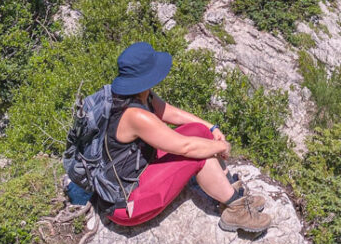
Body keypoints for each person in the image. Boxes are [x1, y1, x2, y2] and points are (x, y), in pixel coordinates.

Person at [104, 42, 271, 233]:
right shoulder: (134, 115)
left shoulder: (135, 95)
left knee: (199, 132)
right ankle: (235, 207)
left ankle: (228, 188)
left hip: (136, 170)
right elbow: (187, 148)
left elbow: (168, 112)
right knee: (199, 154)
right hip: (126, 202)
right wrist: (221, 147)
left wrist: (210, 128)